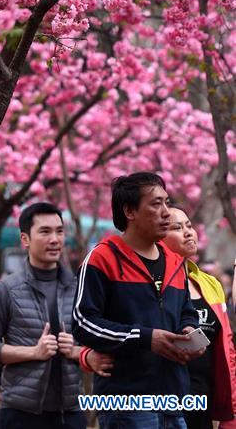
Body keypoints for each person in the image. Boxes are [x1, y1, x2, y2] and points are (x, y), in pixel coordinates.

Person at [72, 172, 201, 429]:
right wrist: (145, 338)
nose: (166, 211)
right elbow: (83, 323)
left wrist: (191, 333)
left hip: (175, 400)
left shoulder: (176, 262)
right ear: (130, 211)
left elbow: (187, 312)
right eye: (156, 204)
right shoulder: (102, 258)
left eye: (167, 202)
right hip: (127, 403)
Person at [0, 202, 86, 429]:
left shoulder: (79, 288)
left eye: (59, 231)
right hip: (20, 413)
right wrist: (34, 352)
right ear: (25, 239)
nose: (55, 239)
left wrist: (74, 350)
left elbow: (95, 346)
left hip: (71, 412)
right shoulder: (6, 290)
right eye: (45, 232)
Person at [162, 206, 236, 429]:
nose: (188, 232)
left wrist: (231, 410)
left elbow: (226, 347)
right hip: (165, 403)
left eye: (189, 226)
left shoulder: (209, 282)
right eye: (177, 227)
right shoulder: (151, 285)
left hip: (202, 401)